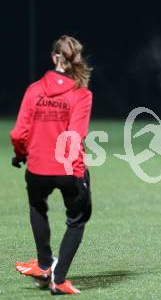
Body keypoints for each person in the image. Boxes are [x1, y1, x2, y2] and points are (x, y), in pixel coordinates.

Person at [11, 35, 93, 294]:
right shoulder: (81, 94)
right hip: (68, 169)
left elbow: (18, 133)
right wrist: (78, 171)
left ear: (53, 58)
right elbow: (75, 136)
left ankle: (45, 265)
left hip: (36, 168)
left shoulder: (34, 90)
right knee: (77, 220)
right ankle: (58, 280)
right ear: (75, 60)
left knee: (37, 207)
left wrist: (20, 153)